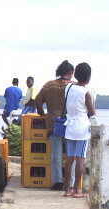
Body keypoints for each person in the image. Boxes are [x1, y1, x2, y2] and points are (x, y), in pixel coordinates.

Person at [36, 60, 74, 191]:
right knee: (71, 155)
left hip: (53, 123)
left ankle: (57, 181)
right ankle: (71, 182)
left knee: (55, 155)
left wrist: (43, 114)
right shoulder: (73, 86)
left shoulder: (49, 85)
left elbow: (38, 100)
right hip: (70, 124)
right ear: (70, 73)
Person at [63, 63, 96, 198]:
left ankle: (67, 189)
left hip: (69, 127)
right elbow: (92, 113)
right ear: (88, 77)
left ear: (76, 74)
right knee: (80, 160)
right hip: (82, 129)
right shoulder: (86, 92)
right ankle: (77, 190)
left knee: (69, 159)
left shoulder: (68, 87)